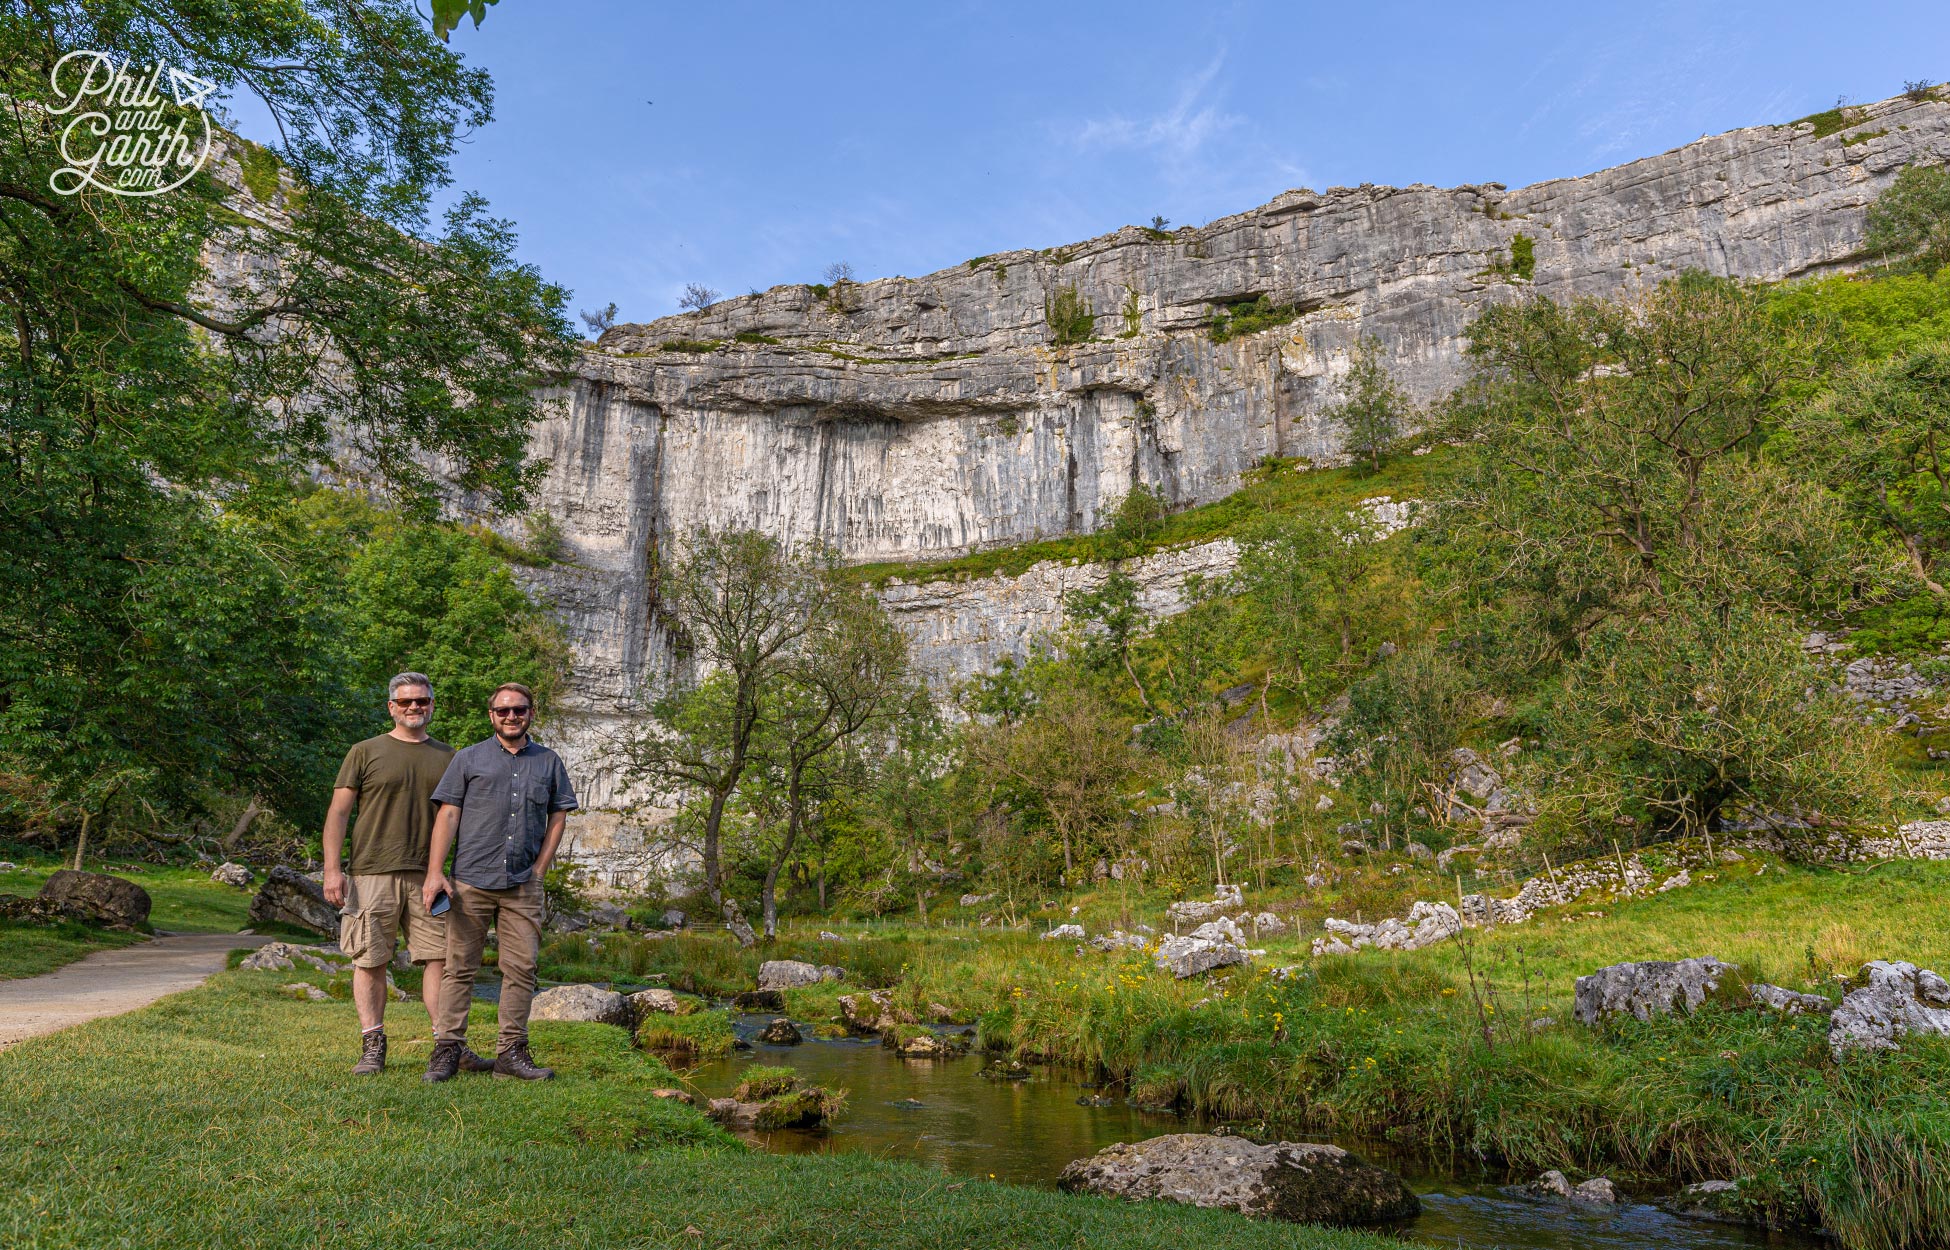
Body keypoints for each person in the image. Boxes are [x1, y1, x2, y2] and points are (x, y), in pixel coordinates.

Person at [322, 673, 488, 1077]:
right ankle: (372, 1045)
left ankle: (447, 1046)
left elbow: (460, 819)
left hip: (428, 877)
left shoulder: (452, 757)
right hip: (370, 872)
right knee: (370, 959)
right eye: (406, 702)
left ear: (432, 705)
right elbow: (338, 813)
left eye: (422, 701)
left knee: (439, 961)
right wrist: (332, 870)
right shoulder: (364, 751)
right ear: (392, 707)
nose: (415, 707)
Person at [422, 681, 578, 1082]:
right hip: (470, 881)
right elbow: (448, 815)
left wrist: (540, 872)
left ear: (531, 713)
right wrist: (436, 872)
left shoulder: (549, 762)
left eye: (520, 710)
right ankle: (448, 1051)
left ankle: (510, 1054)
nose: (512, 716)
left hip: (523, 884)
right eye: (504, 710)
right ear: (491, 715)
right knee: (458, 969)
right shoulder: (468, 759)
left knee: (522, 970)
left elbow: (558, 817)